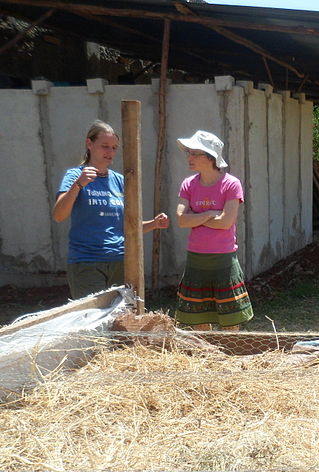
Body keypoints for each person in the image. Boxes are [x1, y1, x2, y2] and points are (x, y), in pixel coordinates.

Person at [53, 120, 169, 299]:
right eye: (105, 146)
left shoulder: (120, 181)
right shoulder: (75, 176)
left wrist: (154, 224)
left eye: (114, 148)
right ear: (89, 144)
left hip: (121, 262)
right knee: (92, 321)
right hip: (87, 262)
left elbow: (127, 227)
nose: (110, 152)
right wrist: (78, 185)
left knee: (122, 320)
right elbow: (59, 215)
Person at [174, 130, 253, 331]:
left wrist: (197, 217)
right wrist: (210, 213)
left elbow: (226, 222)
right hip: (196, 258)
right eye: (188, 153)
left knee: (230, 319)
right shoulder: (188, 184)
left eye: (194, 153)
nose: (189, 158)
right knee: (199, 319)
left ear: (210, 157)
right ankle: (207, 357)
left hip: (223, 260)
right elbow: (182, 220)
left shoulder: (231, 184)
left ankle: (229, 358)